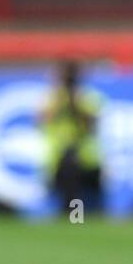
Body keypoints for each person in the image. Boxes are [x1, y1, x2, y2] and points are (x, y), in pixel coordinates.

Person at [37, 61, 105, 217]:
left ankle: (91, 215)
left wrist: (76, 104)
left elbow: (92, 125)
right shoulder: (52, 98)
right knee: (69, 189)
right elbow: (41, 120)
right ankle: (73, 216)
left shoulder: (86, 98)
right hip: (59, 159)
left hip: (86, 159)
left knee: (92, 196)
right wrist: (62, 102)